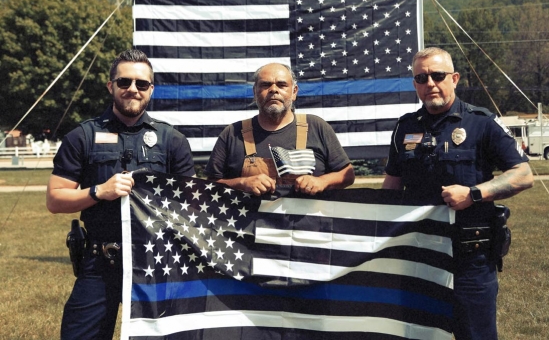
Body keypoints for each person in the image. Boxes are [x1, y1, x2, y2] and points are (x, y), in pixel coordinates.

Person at [381, 47, 534, 340]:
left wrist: (475, 194)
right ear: (414, 84)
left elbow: (524, 175)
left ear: (454, 78)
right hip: (419, 255)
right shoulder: (405, 128)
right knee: (417, 334)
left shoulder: (481, 122)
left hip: (470, 260)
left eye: (438, 76)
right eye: (421, 78)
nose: (430, 84)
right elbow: (392, 184)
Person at [46, 49, 196, 340]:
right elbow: (55, 199)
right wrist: (99, 191)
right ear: (110, 86)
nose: (132, 90)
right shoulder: (83, 136)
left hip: (155, 261)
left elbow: (188, 205)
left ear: (151, 89)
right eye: (124, 82)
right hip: (101, 261)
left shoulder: (172, 140)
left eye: (141, 84)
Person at [205, 62, 355, 196]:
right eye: (265, 85)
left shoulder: (316, 127)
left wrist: (322, 181)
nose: (273, 90)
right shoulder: (233, 133)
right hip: (252, 225)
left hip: (307, 225)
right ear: (254, 91)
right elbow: (210, 185)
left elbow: (347, 175)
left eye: (282, 85)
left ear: (294, 92)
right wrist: (241, 184)